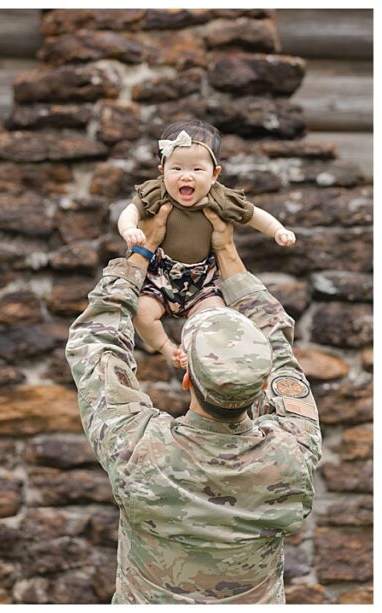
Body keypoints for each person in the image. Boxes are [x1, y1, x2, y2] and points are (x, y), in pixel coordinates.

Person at [65, 204, 321, 603]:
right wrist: (228, 254)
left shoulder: (138, 448)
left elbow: (95, 346)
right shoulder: (295, 453)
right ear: (262, 388)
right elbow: (278, 346)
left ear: (187, 378)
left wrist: (141, 253)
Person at [116, 119, 295, 367]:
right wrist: (129, 229)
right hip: (159, 279)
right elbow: (130, 211)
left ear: (214, 175)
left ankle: (193, 353)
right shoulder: (156, 193)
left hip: (202, 285)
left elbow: (254, 215)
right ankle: (168, 349)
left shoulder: (220, 197)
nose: (185, 176)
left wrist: (277, 230)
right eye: (176, 169)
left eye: (196, 170)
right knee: (143, 314)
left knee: (215, 319)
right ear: (162, 171)